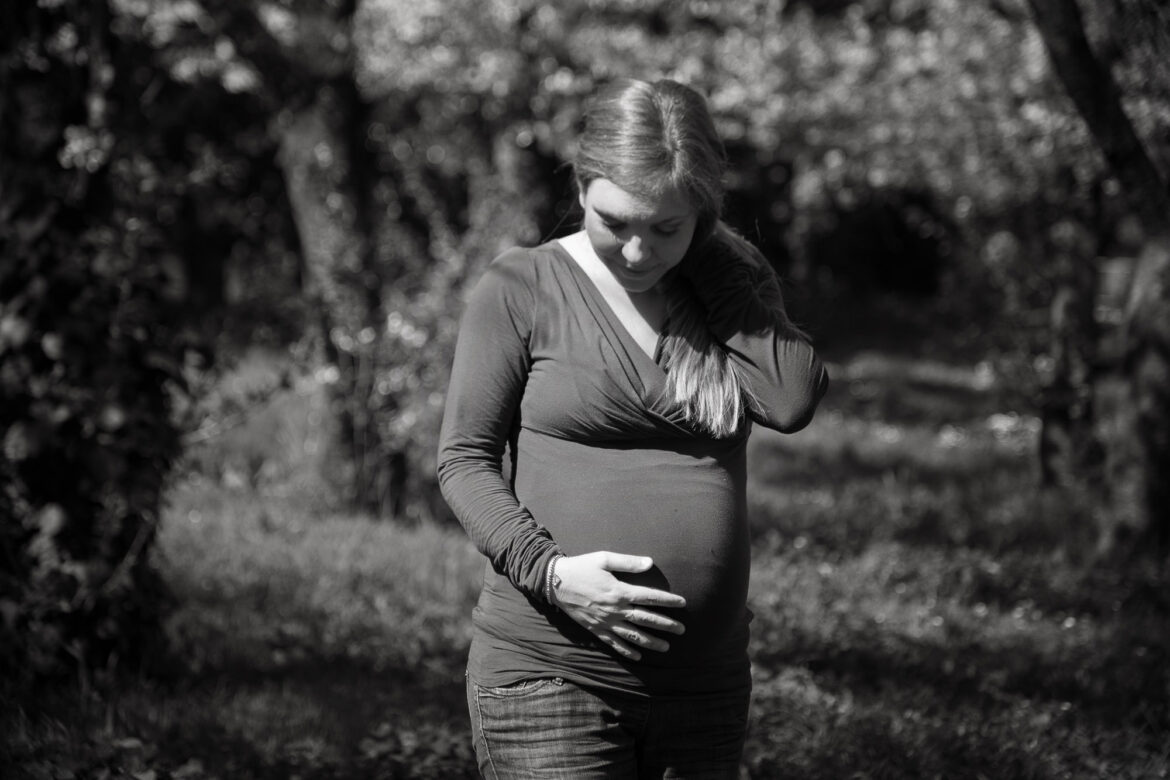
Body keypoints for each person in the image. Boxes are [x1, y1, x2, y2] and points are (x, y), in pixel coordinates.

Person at [437, 77, 829, 779]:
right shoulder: (521, 287)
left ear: (702, 214)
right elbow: (464, 460)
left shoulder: (723, 286)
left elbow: (791, 400)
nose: (640, 252)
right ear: (582, 186)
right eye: (615, 222)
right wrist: (550, 574)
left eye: (666, 227)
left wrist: (711, 257)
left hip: (705, 691)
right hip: (552, 674)